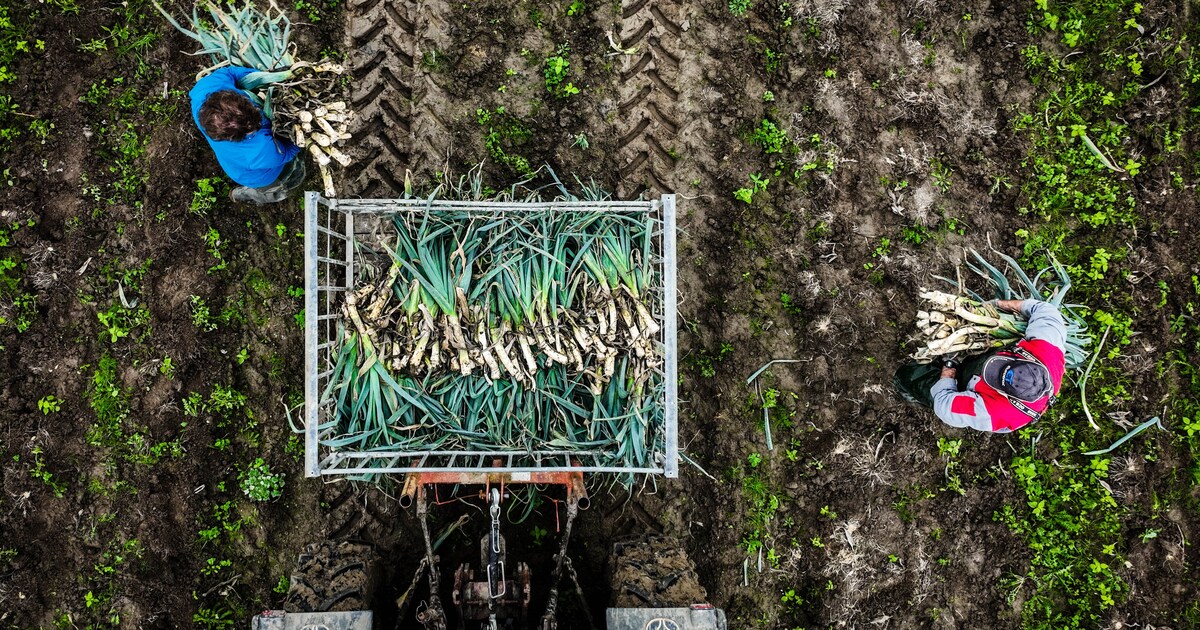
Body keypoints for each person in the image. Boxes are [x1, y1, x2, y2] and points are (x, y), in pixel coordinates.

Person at [894, 299, 1067, 433]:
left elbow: (945, 405)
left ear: (1004, 393)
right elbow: (1046, 310)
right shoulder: (1046, 350)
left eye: (994, 376)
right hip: (993, 354)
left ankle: (908, 391)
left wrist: (949, 368)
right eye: (1002, 365)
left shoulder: (995, 412)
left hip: (968, 388)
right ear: (1025, 359)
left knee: (911, 377)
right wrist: (1000, 304)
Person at [189, 65, 305, 205]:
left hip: (234, 163)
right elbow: (289, 151)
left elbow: (230, 71)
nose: (258, 112)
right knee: (288, 179)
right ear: (234, 138)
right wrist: (300, 136)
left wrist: (265, 76)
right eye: (253, 128)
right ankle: (251, 194)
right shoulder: (260, 151)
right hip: (256, 177)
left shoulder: (205, 90)